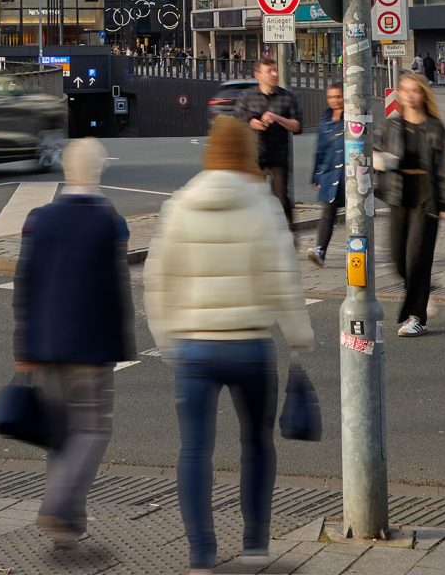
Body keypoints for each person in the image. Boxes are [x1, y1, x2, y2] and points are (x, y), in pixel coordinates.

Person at [144, 116, 314, 575]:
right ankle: (255, 545)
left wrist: (167, 340)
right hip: (251, 347)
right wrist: (299, 336)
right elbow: (284, 281)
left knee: (194, 451)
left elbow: (159, 280)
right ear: (247, 154)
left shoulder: (179, 205)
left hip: (195, 350)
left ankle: (202, 555)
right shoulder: (264, 206)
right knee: (257, 443)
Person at [12, 138, 135, 549]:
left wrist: (23, 347)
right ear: (99, 171)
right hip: (91, 344)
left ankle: (69, 522)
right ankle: (59, 503)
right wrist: (121, 344)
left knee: (62, 433)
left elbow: (25, 284)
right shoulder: (109, 221)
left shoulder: (39, 218)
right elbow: (115, 290)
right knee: (93, 429)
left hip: (46, 345)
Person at [376, 73, 445, 336]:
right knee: (397, 259)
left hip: (426, 200)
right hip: (398, 197)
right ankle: (422, 292)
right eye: (404, 90)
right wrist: (379, 160)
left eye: (415, 91)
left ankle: (416, 317)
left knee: (417, 258)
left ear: (423, 95)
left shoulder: (435, 128)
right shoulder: (391, 126)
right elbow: (374, 154)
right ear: (399, 94)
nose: (409, 95)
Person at [231, 58, 302, 228]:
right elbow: (236, 119)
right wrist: (251, 122)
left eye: (275, 70)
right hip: (254, 156)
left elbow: (297, 126)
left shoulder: (287, 97)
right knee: (253, 198)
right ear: (258, 75)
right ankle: (256, 236)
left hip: (279, 155)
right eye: (269, 71)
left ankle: (288, 237)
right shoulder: (246, 97)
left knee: (281, 198)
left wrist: (277, 118)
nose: (275, 74)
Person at [306, 83, 346, 267]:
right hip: (330, 173)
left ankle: (359, 253)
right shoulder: (325, 120)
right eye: (331, 97)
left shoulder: (353, 117)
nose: (335, 101)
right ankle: (320, 250)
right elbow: (320, 149)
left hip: (349, 173)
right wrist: (316, 174)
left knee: (356, 214)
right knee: (328, 211)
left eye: (338, 96)